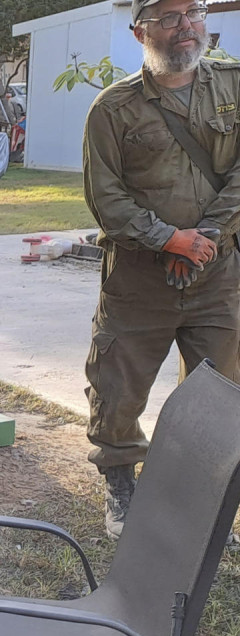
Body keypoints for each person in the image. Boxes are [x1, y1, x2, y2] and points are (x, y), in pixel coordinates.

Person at [83, 0, 240, 539]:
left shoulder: (234, 84)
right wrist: (169, 238)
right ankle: (120, 483)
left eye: (193, 11)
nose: (185, 26)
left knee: (219, 388)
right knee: (118, 385)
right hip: (137, 277)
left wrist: (205, 239)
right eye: (169, 17)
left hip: (217, 275)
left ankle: (196, 491)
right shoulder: (113, 108)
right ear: (139, 31)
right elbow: (105, 198)